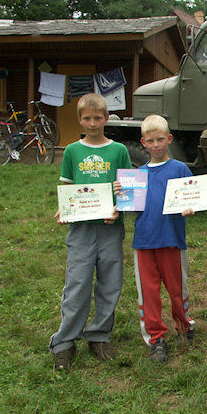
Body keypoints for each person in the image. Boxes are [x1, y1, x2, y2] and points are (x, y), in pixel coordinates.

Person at [50, 93, 131, 370]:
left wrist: (119, 208)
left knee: (110, 284)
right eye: (87, 118)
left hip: (110, 229)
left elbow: (128, 189)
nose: (93, 123)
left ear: (107, 118)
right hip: (81, 230)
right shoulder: (72, 151)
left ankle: (99, 335)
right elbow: (69, 189)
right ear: (80, 120)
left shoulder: (119, 150)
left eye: (98, 118)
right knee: (77, 285)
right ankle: (64, 342)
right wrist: (65, 209)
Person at [132, 115, 197, 363]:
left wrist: (190, 207)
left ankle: (184, 325)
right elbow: (130, 206)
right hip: (144, 243)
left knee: (178, 289)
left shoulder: (180, 169)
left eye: (160, 139)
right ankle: (156, 338)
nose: (156, 145)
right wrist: (121, 195)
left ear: (169, 139)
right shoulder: (137, 175)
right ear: (143, 143)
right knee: (148, 294)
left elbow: (192, 197)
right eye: (150, 141)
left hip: (172, 240)